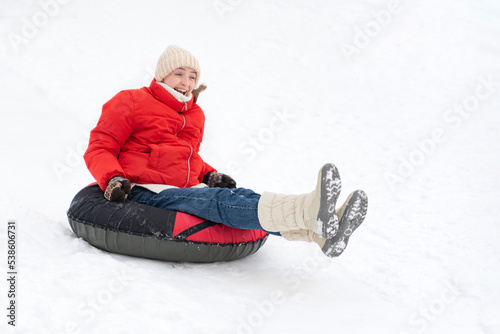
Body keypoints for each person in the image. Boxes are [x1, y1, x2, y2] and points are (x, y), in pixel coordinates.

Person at [84, 45, 368, 258]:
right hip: (145, 189)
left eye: (192, 76)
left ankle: (319, 233)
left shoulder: (195, 114)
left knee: (241, 195)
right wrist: (113, 179)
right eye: (178, 73)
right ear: (162, 75)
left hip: (179, 188)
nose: (186, 82)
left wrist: (208, 175)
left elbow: (186, 156)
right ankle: (310, 210)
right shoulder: (131, 101)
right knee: (218, 201)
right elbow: (100, 146)